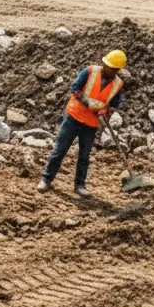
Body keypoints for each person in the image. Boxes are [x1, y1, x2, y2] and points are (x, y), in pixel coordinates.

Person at [38, 49, 127, 196]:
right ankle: (46, 179)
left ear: (116, 70)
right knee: (60, 150)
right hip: (73, 117)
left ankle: (79, 185)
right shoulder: (90, 71)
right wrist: (88, 102)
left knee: (84, 156)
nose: (106, 69)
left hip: (91, 124)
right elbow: (75, 88)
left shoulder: (118, 84)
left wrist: (106, 112)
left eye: (111, 68)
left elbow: (115, 104)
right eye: (106, 65)